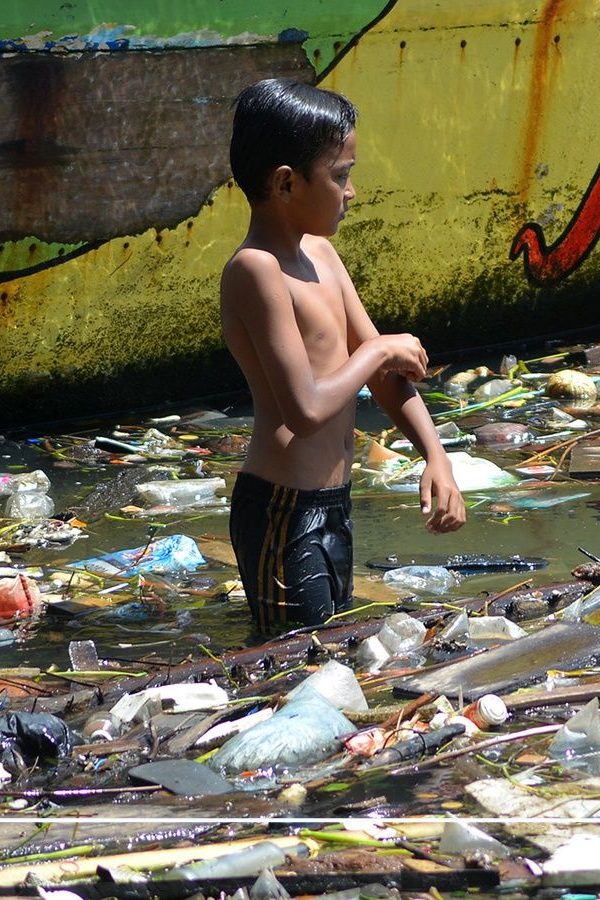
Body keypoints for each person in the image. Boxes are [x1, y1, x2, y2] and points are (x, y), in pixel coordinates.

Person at [221, 78, 465, 634]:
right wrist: (378, 350)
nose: (351, 191)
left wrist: (436, 455)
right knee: (289, 660)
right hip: (282, 509)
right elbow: (303, 410)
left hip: (335, 502)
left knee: (331, 647)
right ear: (286, 183)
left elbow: (385, 380)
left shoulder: (323, 256)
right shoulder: (255, 270)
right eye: (340, 175)